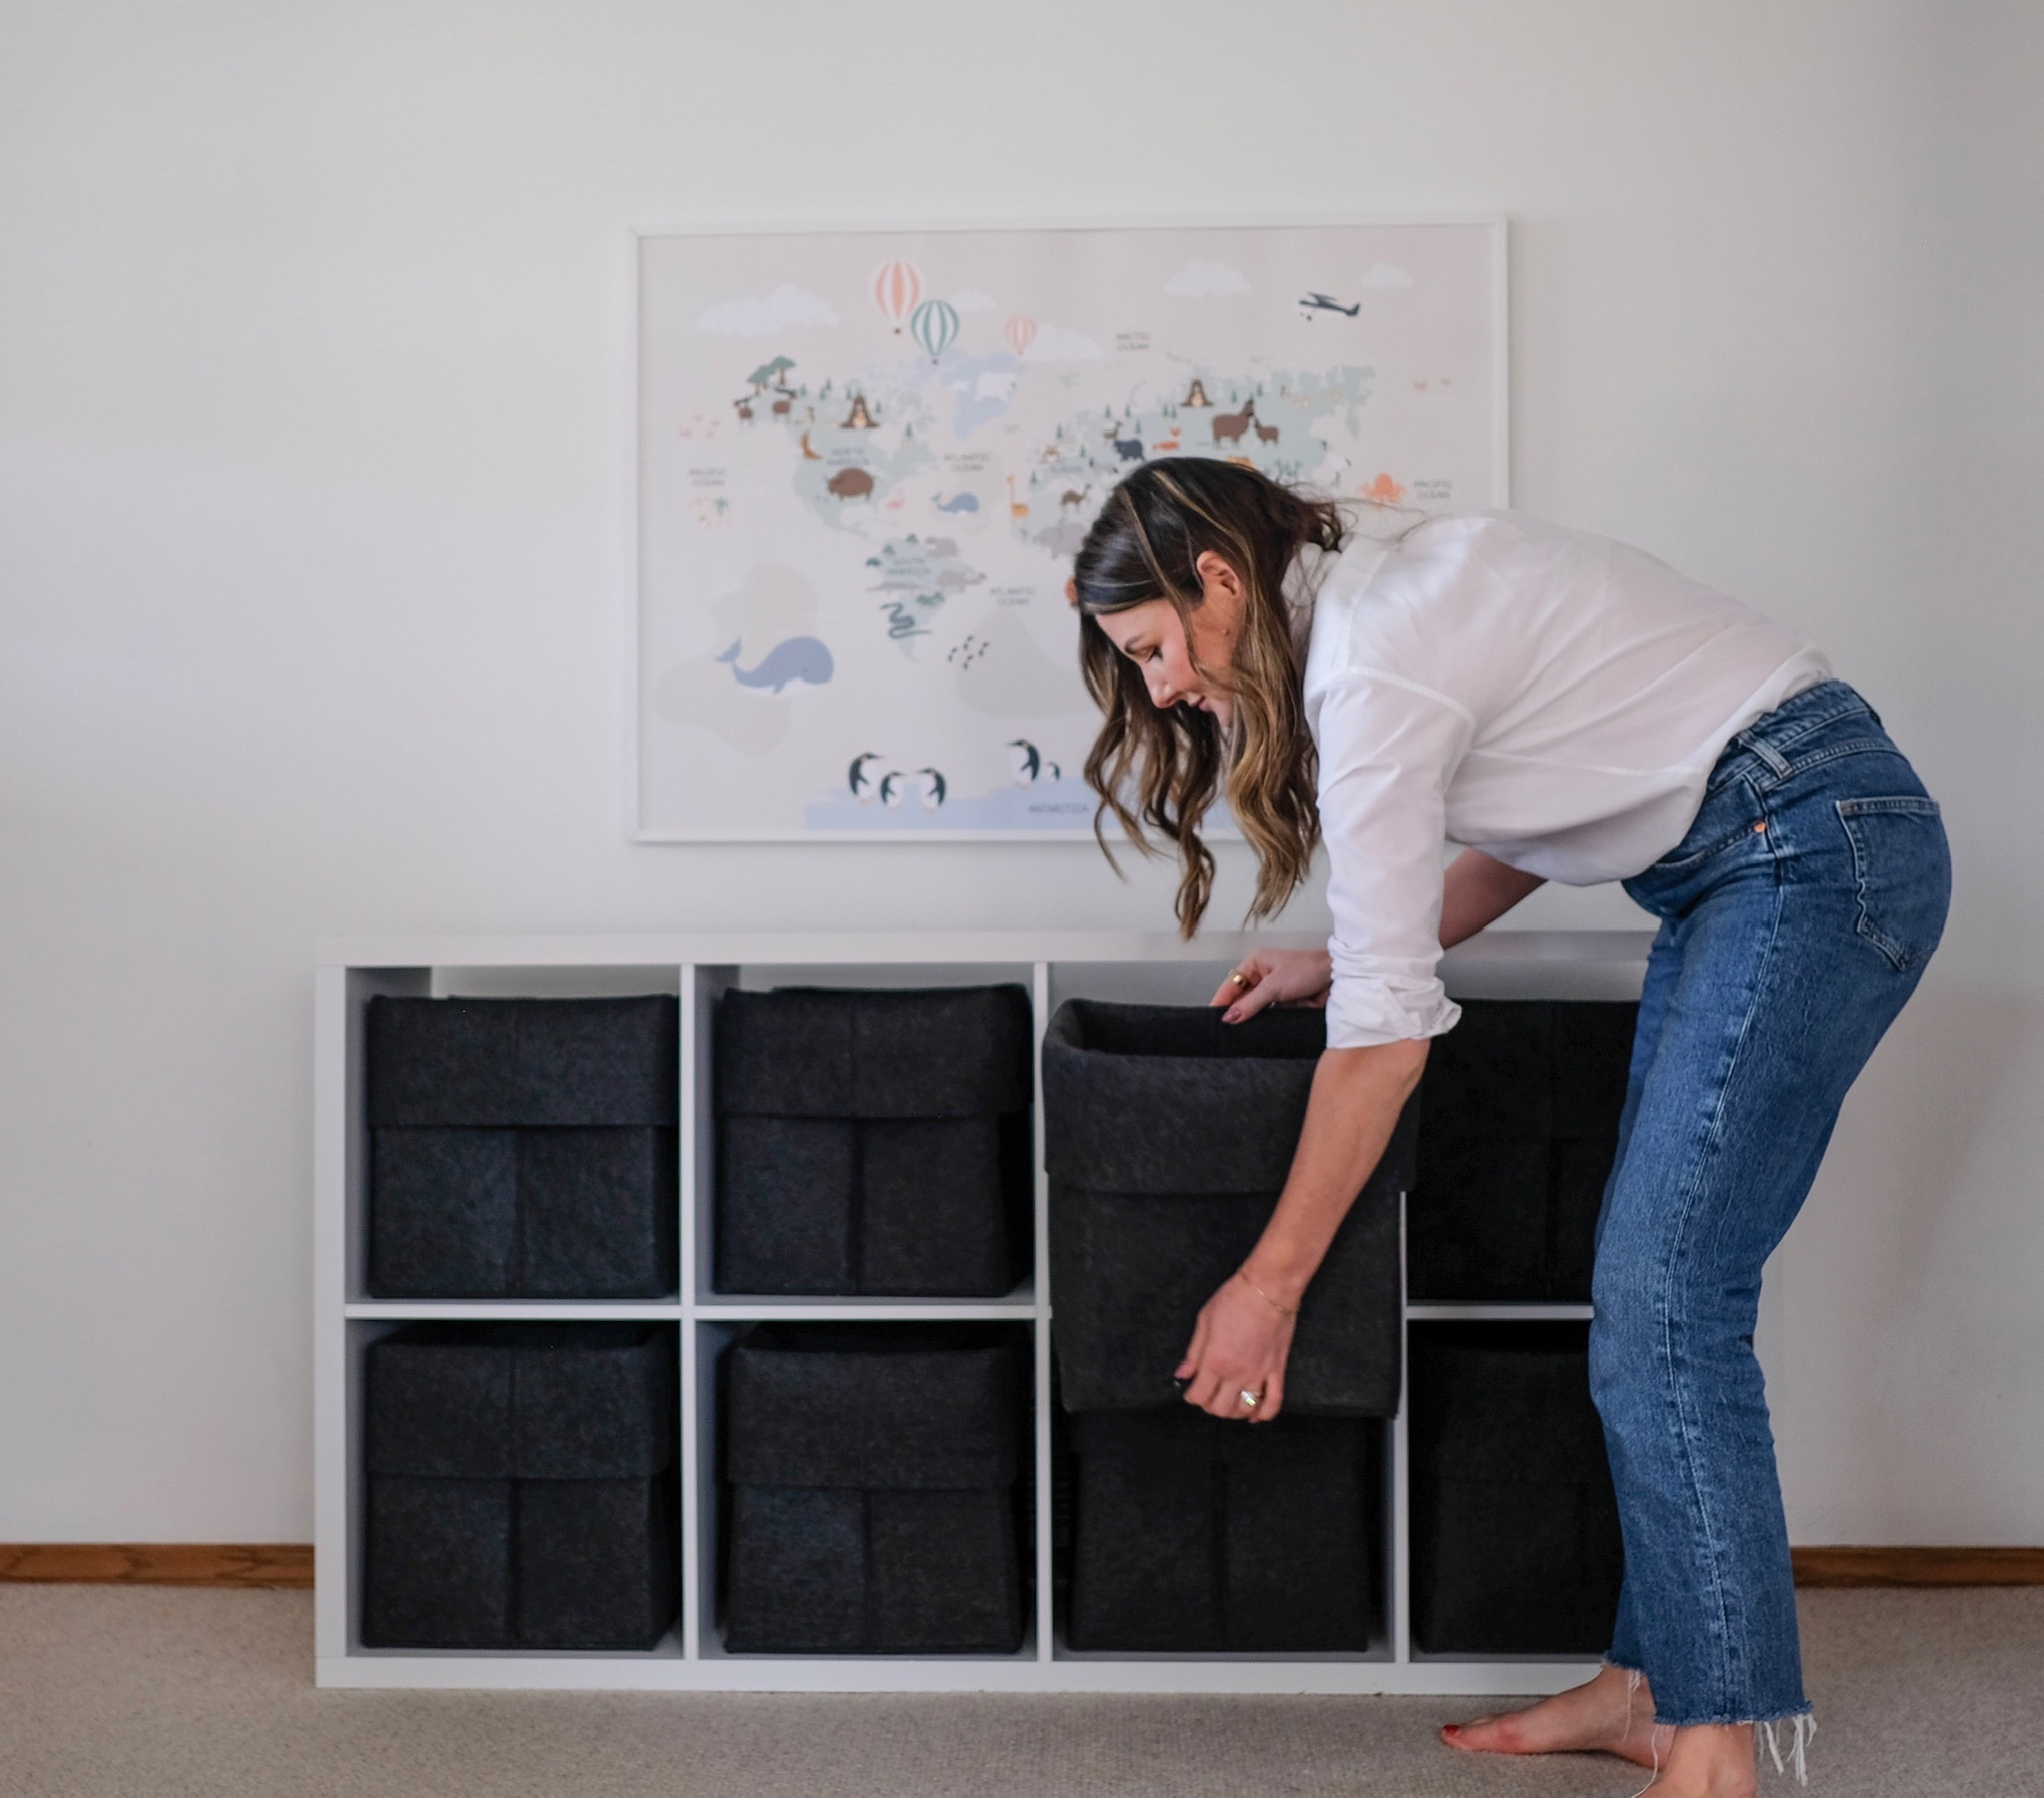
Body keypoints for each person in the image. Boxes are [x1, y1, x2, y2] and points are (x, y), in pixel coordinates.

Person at [1067, 461, 1949, 1798]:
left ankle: (1714, 1750)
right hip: (1759, 847)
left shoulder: (1366, 662)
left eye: (1149, 649)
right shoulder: (1372, 578)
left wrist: (1269, 1286)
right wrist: (1339, 957)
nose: (1161, 690)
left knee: (1667, 1303)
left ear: (1220, 583)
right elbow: (1560, 795)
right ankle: (1642, 1688)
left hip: (1809, 844)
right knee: (1650, 1295)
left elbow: (1386, 1048)